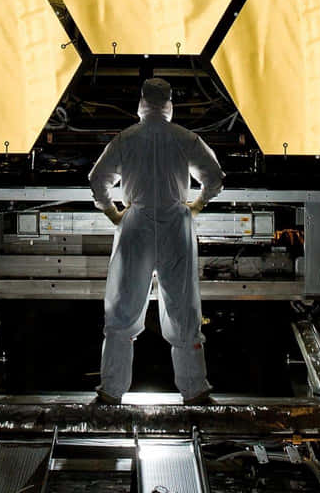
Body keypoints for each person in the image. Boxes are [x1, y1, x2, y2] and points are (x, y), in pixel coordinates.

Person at [88, 77, 225, 406]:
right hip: (175, 223)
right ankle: (195, 390)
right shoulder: (184, 138)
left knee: (122, 308)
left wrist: (112, 212)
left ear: (141, 103)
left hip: (135, 224)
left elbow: (97, 180)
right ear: (169, 104)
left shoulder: (126, 139)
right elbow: (214, 177)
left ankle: (111, 392)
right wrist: (198, 204)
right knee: (182, 307)